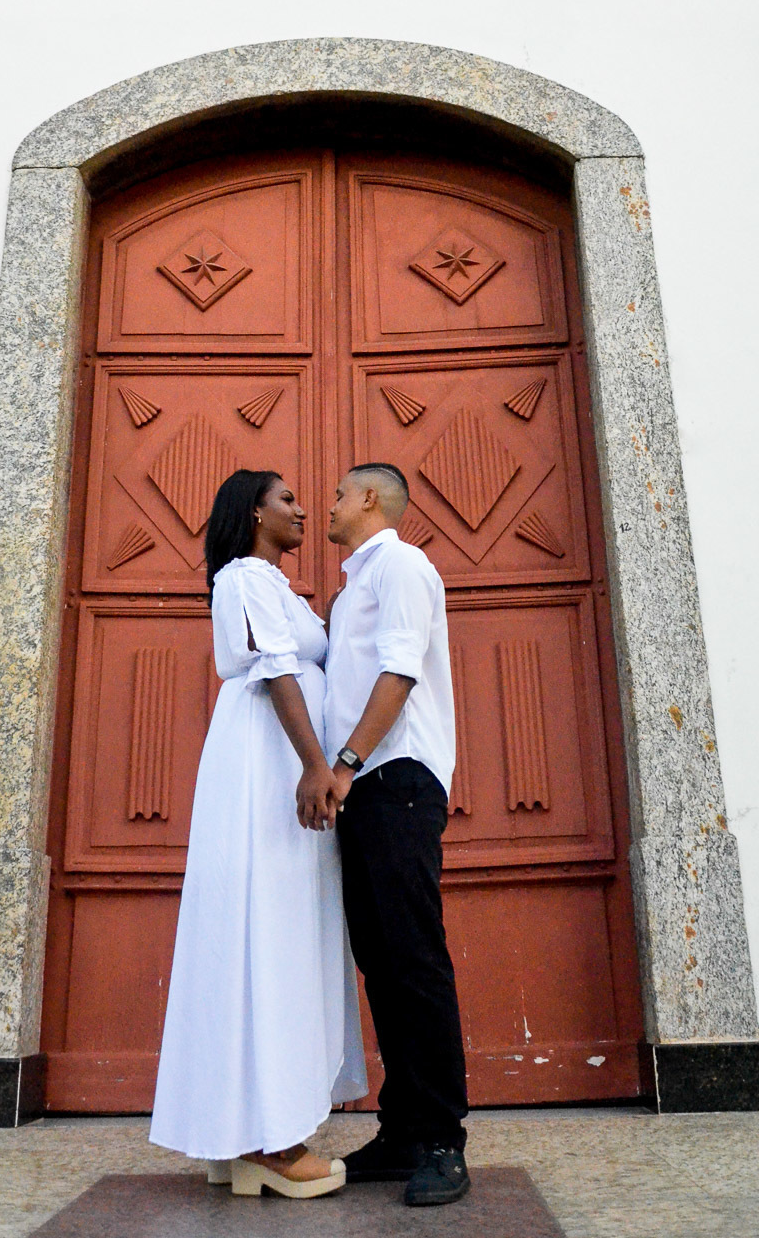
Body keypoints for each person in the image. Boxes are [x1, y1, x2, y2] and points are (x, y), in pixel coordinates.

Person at [149, 469, 367, 1199]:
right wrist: (314, 766)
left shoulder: (278, 587)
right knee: (265, 936)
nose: (302, 510)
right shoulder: (243, 576)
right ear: (252, 513)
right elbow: (277, 669)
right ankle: (272, 1140)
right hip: (265, 766)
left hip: (280, 763)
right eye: (286, 500)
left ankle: (238, 1133)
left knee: (274, 935)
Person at [325, 462, 470, 1208]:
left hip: (397, 781)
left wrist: (346, 762)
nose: (331, 504)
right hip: (362, 794)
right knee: (380, 961)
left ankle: (444, 1140)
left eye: (340, 493)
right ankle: (403, 1127)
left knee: (413, 958)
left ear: (371, 500)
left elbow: (400, 670)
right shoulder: (353, 588)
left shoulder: (402, 566)